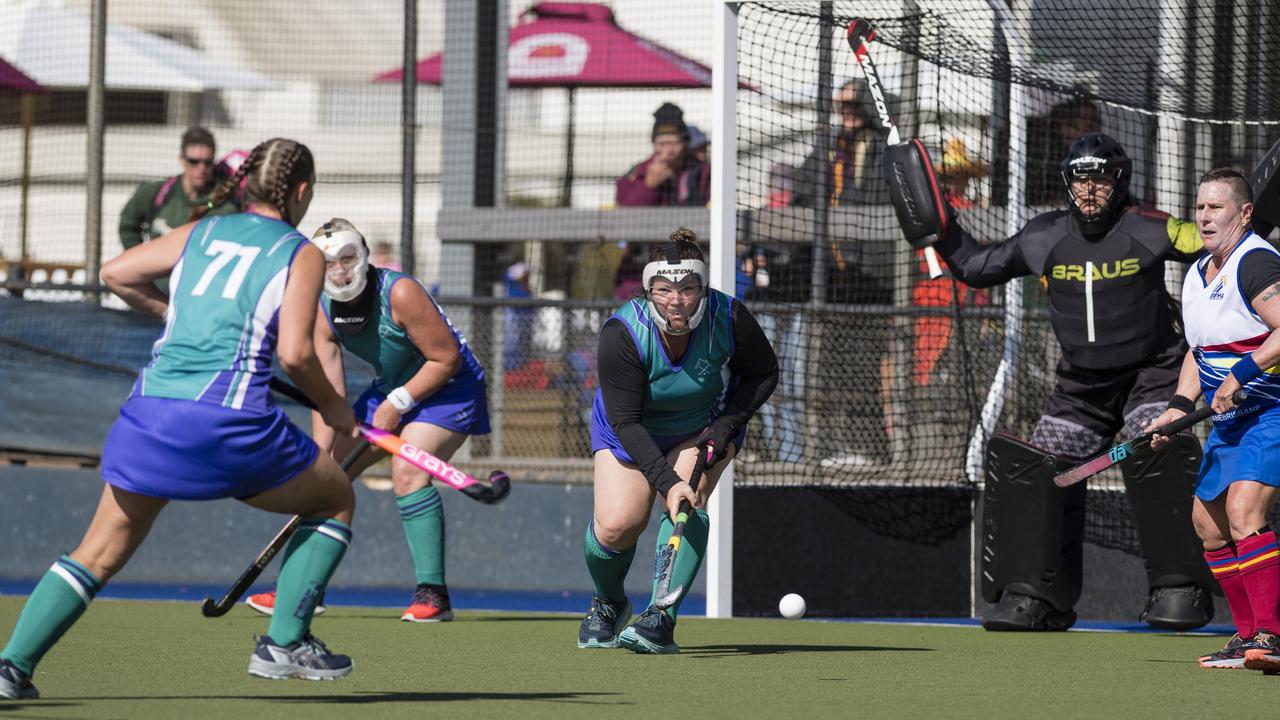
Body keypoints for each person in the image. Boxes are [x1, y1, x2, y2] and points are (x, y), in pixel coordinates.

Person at [0, 138, 359, 700]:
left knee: (97, 552)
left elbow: (115, 272)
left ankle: (11, 667)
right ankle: (285, 643)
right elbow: (296, 353)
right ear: (302, 191)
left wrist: (179, 316)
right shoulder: (301, 252)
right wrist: (335, 407)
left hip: (148, 418)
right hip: (227, 425)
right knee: (334, 496)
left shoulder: (203, 230)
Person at [922, 132, 1214, 631]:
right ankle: (1039, 599)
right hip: (1081, 388)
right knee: (1042, 472)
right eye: (1080, 179)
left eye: (1100, 179)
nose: (1089, 190)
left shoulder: (1153, 228)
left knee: (1156, 448)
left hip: (1152, 373)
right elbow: (974, 265)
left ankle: (1179, 589)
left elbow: (1216, 240)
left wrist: (1253, 220)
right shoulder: (1042, 236)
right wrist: (936, 226)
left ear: (1120, 182)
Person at [245, 218, 490, 623]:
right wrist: (321, 459)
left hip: (450, 389)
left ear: (364, 256)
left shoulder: (401, 292)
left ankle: (433, 595)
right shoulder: (320, 308)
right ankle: (303, 590)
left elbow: (446, 359)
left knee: (408, 467)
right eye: (328, 263)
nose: (340, 271)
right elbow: (329, 393)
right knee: (324, 477)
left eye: (348, 258)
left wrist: (399, 400)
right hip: (390, 390)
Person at [578, 227, 779, 654]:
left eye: (688, 288)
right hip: (628, 429)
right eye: (664, 289)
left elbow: (764, 372)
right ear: (649, 289)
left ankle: (660, 618)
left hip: (701, 427)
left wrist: (726, 427)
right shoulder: (623, 333)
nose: (676, 299)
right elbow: (627, 421)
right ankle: (609, 602)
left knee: (690, 502)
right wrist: (666, 482)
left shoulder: (729, 317)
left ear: (702, 288)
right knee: (617, 526)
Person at [1148, 168, 1280, 671]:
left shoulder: (1256, 264)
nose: (1203, 216)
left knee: (1246, 512)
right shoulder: (1196, 273)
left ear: (1244, 213)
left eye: (1216, 207)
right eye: (1199, 207)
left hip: (1272, 409)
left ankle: (1271, 635)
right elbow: (1197, 354)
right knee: (1208, 527)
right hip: (1231, 421)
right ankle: (1247, 636)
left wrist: (1242, 372)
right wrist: (1177, 410)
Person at [118, 126, 241, 252]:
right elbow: (128, 225)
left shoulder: (226, 202)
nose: (201, 168)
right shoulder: (159, 192)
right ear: (182, 160)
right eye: (194, 161)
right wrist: (140, 260)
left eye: (207, 162)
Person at [792, 80, 890, 209]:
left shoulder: (880, 141)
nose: (848, 111)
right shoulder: (831, 141)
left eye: (854, 104)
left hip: (864, 218)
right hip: (825, 215)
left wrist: (862, 94)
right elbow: (804, 181)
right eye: (842, 105)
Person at [615, 103, 710, 207]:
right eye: (661, 144)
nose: (668, 151)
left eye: (674, 143)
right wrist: (648, 186)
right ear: (653, 144)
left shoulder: (702, 172)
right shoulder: (637, 173)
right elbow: (624, 214)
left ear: (685, 144)